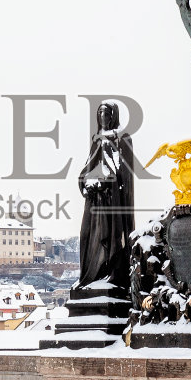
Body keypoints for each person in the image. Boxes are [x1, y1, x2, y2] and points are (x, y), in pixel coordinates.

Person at [76, 101, 136, 294]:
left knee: (110, 236)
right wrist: (86, 182)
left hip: (112, 199)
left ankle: (110, 274)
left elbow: (122, 171)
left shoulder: (122, 138)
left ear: (114, 117)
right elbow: (89, 165)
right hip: (94, 199)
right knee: (86, 234)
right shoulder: (96, 139)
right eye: (100, 113)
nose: (103, 117)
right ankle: (89, 276)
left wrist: (104, 181)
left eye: (107, 114)